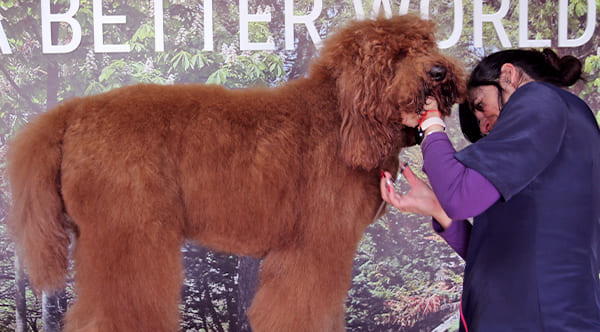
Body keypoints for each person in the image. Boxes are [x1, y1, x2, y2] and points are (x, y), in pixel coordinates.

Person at [380, 48, 600, 331]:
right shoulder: (559, 133)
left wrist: (430, 122)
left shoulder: (540, 98)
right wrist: (438, 207)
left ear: (508, 76)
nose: (485, 127)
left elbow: (460, 197)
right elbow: (501, 257)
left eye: (480, 105)